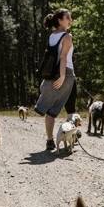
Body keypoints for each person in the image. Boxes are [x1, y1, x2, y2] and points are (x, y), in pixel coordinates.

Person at [34, 9, 78, 151]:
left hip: (51, 75)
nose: (70, 20)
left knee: (51, 112)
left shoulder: (52, 36)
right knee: (71, 109)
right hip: (66, 74)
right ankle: (72, 137)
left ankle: (50, 140)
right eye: (68, 18)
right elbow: (64, 57)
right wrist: (63, 76)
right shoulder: (67, 36)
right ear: (60, 20)